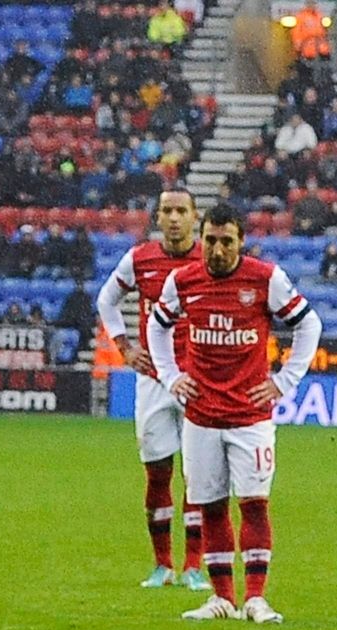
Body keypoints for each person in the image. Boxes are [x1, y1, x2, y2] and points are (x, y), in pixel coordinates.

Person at [147, 204, 322, 622]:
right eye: (211, 240)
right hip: (201, 417)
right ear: (201, 239)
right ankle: (222, 597)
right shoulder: (183, 281)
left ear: (241, 241)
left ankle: (256, 597)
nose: (218, 249)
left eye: (227, 241)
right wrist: (170, 376)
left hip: (250, 416)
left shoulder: (264, 279)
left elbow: (308, 324)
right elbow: (157, 325)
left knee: (255, 504)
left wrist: (284, 381)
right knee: (210, 507)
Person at [94, 187, 210, 591]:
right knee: (158, 473)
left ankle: (194, 566)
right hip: (154, 381)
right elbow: (106, 300)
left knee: (198, 474)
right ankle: (163, 566)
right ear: (158, 218)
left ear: (195, 216)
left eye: (181, 210)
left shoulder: (210, 258)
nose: (174, 218)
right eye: (167, 211)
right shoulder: (140, 258)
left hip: (198, 379)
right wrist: (124, 347)